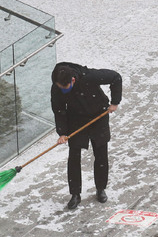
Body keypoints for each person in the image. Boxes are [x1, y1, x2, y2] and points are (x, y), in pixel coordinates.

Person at [51, 62, 122, 209]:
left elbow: (116, 78)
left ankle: (100, 188)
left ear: (73, 80)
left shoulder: (89, 76)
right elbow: (58, 110)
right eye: (60, 88)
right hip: (76, 120)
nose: (63, 91)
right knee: (74, 156)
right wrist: (62, 132)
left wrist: (115, 102)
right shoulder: (57, 87)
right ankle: (75, 194)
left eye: (66, 87)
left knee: (101, 153)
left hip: (98, 116)